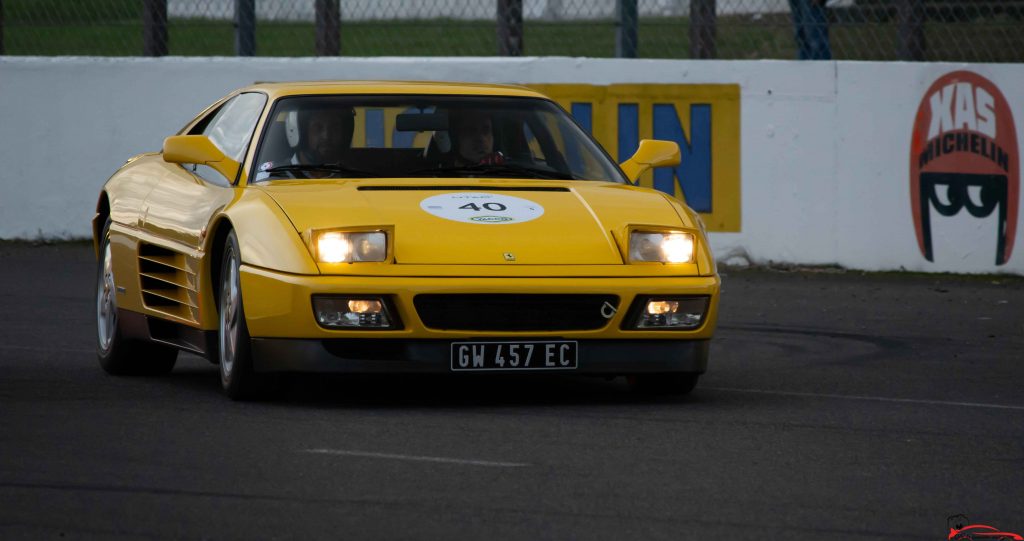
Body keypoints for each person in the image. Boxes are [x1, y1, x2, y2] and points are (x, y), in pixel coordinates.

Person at [255, 106, 354, 180]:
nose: (326, 136)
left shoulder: (355, 178)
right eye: (317, 128)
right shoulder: (270, 177)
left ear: (345, 134)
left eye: (335, 128)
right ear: (301, 132)